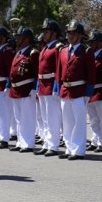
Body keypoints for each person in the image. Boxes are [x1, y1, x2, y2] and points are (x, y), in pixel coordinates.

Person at [55, 20, 96, 160]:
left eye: (73, 33)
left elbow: (91, 73)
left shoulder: (86, 51)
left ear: (79, 35)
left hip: (79, 90)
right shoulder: (63, 50)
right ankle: (69, 148)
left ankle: (78, 150)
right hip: (65, 90)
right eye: (68, 32)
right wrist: (58, 88)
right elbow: (59, 71)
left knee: (79, 122)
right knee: (67, 122)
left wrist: (88, 93)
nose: (69, 35)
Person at [8, 26, 39, 153]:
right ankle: (21, 141)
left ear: (26, 39)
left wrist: (34, 89)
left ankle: (28, 143)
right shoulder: (18, 52)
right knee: (19, 118)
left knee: (27, 118)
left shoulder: (33, 53)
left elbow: (37, 72)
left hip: (26, 89)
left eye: (19, 37)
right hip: (16, 90)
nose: (17, 39)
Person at [35, 18, 63, 156]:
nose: (44, 34)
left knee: (52, 117)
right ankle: (47, 142)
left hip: (51, 85)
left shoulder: (58, 47)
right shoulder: (46, 48)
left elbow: (59, 68)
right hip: (42, 85)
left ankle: (53, 145)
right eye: (44, 31)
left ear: (54, 33)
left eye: (47, 31)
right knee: (45, 118)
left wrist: (56, 87)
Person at [86, 29, 102, 151]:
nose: (90, 44)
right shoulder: (89, 56)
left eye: (93, 42)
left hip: (101, 91)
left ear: (100, 43)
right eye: (90, 42)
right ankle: (95, 140)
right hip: (91, 92)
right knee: (93, 119)